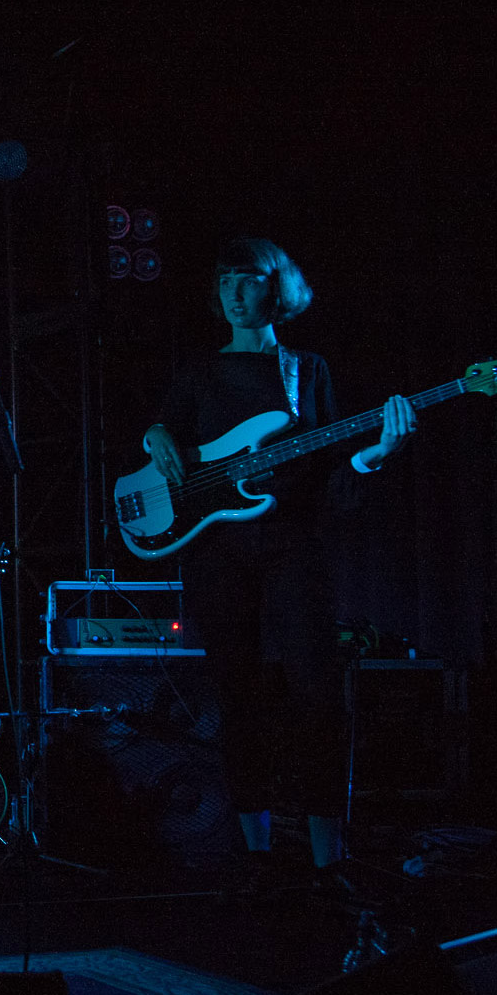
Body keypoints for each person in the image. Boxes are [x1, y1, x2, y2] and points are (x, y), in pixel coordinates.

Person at [141, 238, 415, 883]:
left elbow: (326, 467)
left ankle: (329, 860)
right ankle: (255, 856)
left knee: (319, 696)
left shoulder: (306, 370)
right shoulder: (199, 371)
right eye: (227, 279)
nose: (236, 291)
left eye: (251, 279)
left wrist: (375, 453)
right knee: (238, 697)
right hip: (216, 551)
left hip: (293, 545)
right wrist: (154, 435)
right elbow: (164, 435)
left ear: (277, 289)